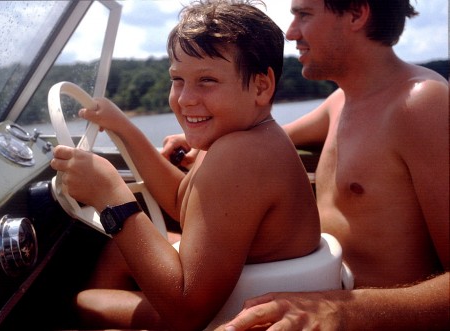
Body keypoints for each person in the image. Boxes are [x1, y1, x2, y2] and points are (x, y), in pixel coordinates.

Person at [162, 0, 450, 329]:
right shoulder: (340, 103)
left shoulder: (422, 104)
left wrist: (340, 309)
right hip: (308, 300)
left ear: (356, 13)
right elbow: (262, 136)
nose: (290, 31)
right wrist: (199, 135)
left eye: (304, 14)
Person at [50, 0, 321, 329]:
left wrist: (109, 195)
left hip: (229, 315)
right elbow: (183, 202)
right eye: (178, 79)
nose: (185, 98)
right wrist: (124, 127)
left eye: (206, 80)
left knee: (86, 299)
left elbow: (186, 312)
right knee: (120, 252)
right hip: (231, 294)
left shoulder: (242, 155)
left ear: (261, 86)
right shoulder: (238, 137)